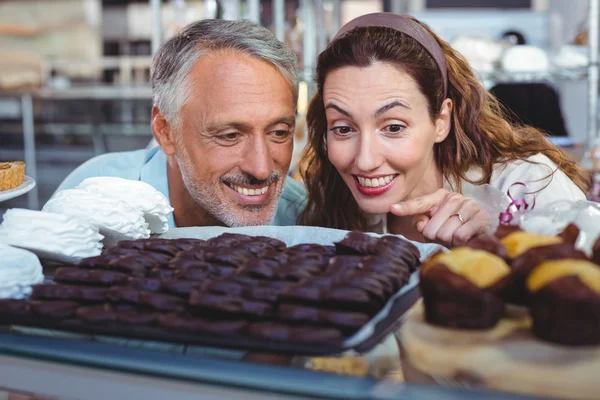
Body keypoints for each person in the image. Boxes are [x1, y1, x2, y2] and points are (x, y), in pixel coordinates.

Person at [299, 13, 588, 248]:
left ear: (441, 120)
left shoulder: (527, 184)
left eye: (394, 127)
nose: (364, 161)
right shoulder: (333, 204)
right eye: (344, 129)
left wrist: (491, 249)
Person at [55, 19, 306, 228]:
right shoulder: (88, 201)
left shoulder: (305, 216)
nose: (261, 169)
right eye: (230, 136)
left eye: (279, 133)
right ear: (166, 132)